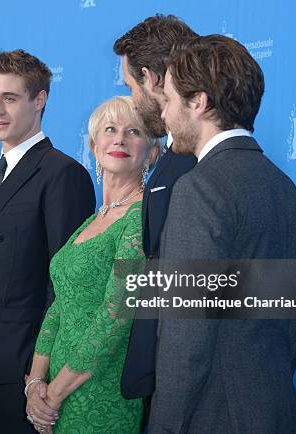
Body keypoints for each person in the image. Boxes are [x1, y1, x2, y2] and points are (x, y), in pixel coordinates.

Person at [150, 35, 296, 433]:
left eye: (169, 101)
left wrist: (164, 427)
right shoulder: (286, 191)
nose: (165, 118)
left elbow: (184, 337)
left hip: (212, 416)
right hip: (274, 409)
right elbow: (290, 330)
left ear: (199, 102)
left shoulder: (200, 189)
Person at [0, 49, 96, 434]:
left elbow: (66, 285)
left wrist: (38, 375)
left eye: (10, 99)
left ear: (39, 100)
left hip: (23, 375)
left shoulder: (63, 174)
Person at [26, 96, 160, 433]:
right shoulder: (91, 221)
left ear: (153, 151)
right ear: (93, 145)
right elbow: (60, 305)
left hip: (102, 394)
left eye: (134, 131)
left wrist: (53, 395)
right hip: (55, 394)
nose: (119, 139)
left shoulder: (139, 217)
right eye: (110, 130)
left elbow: (116, 315)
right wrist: (35, 384)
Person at [112, 14, 197, 412]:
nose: (131, 100)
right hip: (156, 384)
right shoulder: (169, 159)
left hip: (185, 393)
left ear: (150, 77)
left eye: (130, 86)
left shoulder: (198, 166)